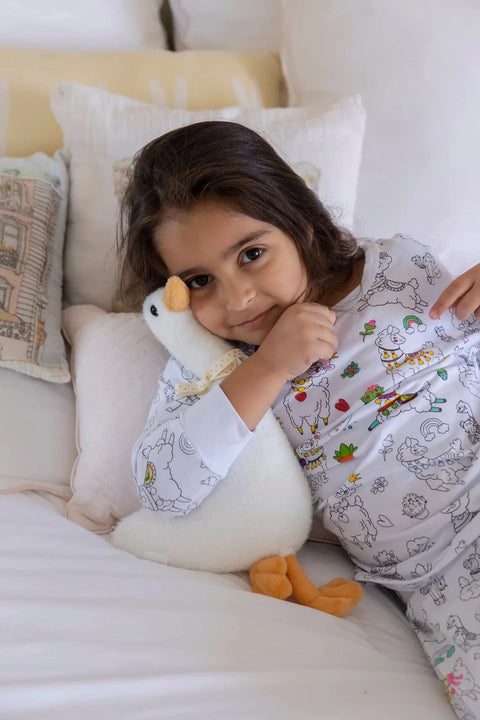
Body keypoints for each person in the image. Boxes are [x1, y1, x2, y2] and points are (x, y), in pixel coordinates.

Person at [117, 120, 480, 719]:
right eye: (200, 282)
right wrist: (267, 371)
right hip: (443, 570)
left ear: (303, 224)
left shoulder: (397, 268)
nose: (238, 299)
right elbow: (162, 487)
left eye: (252, 255)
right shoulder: (213, 366)